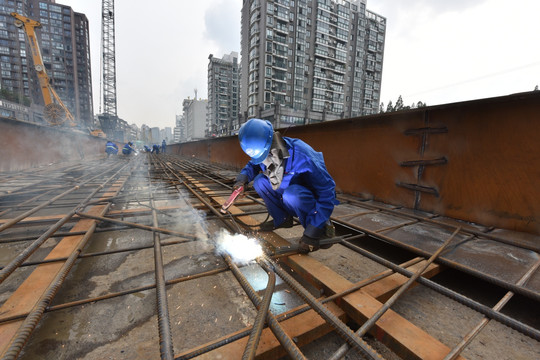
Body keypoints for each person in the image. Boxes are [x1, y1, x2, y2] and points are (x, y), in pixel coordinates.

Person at [233, 118, 338, 253]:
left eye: (266, 154)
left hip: (305, 196)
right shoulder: (263, 153)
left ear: (271, 142)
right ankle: (282, 219)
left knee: (292, 195)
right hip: (288, 190)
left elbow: (327, 191)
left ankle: (320, 228)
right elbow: (253, 164)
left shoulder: (302, 155)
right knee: (260, 181)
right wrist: (242, 180)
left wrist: (312, 233)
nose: (265, 159)